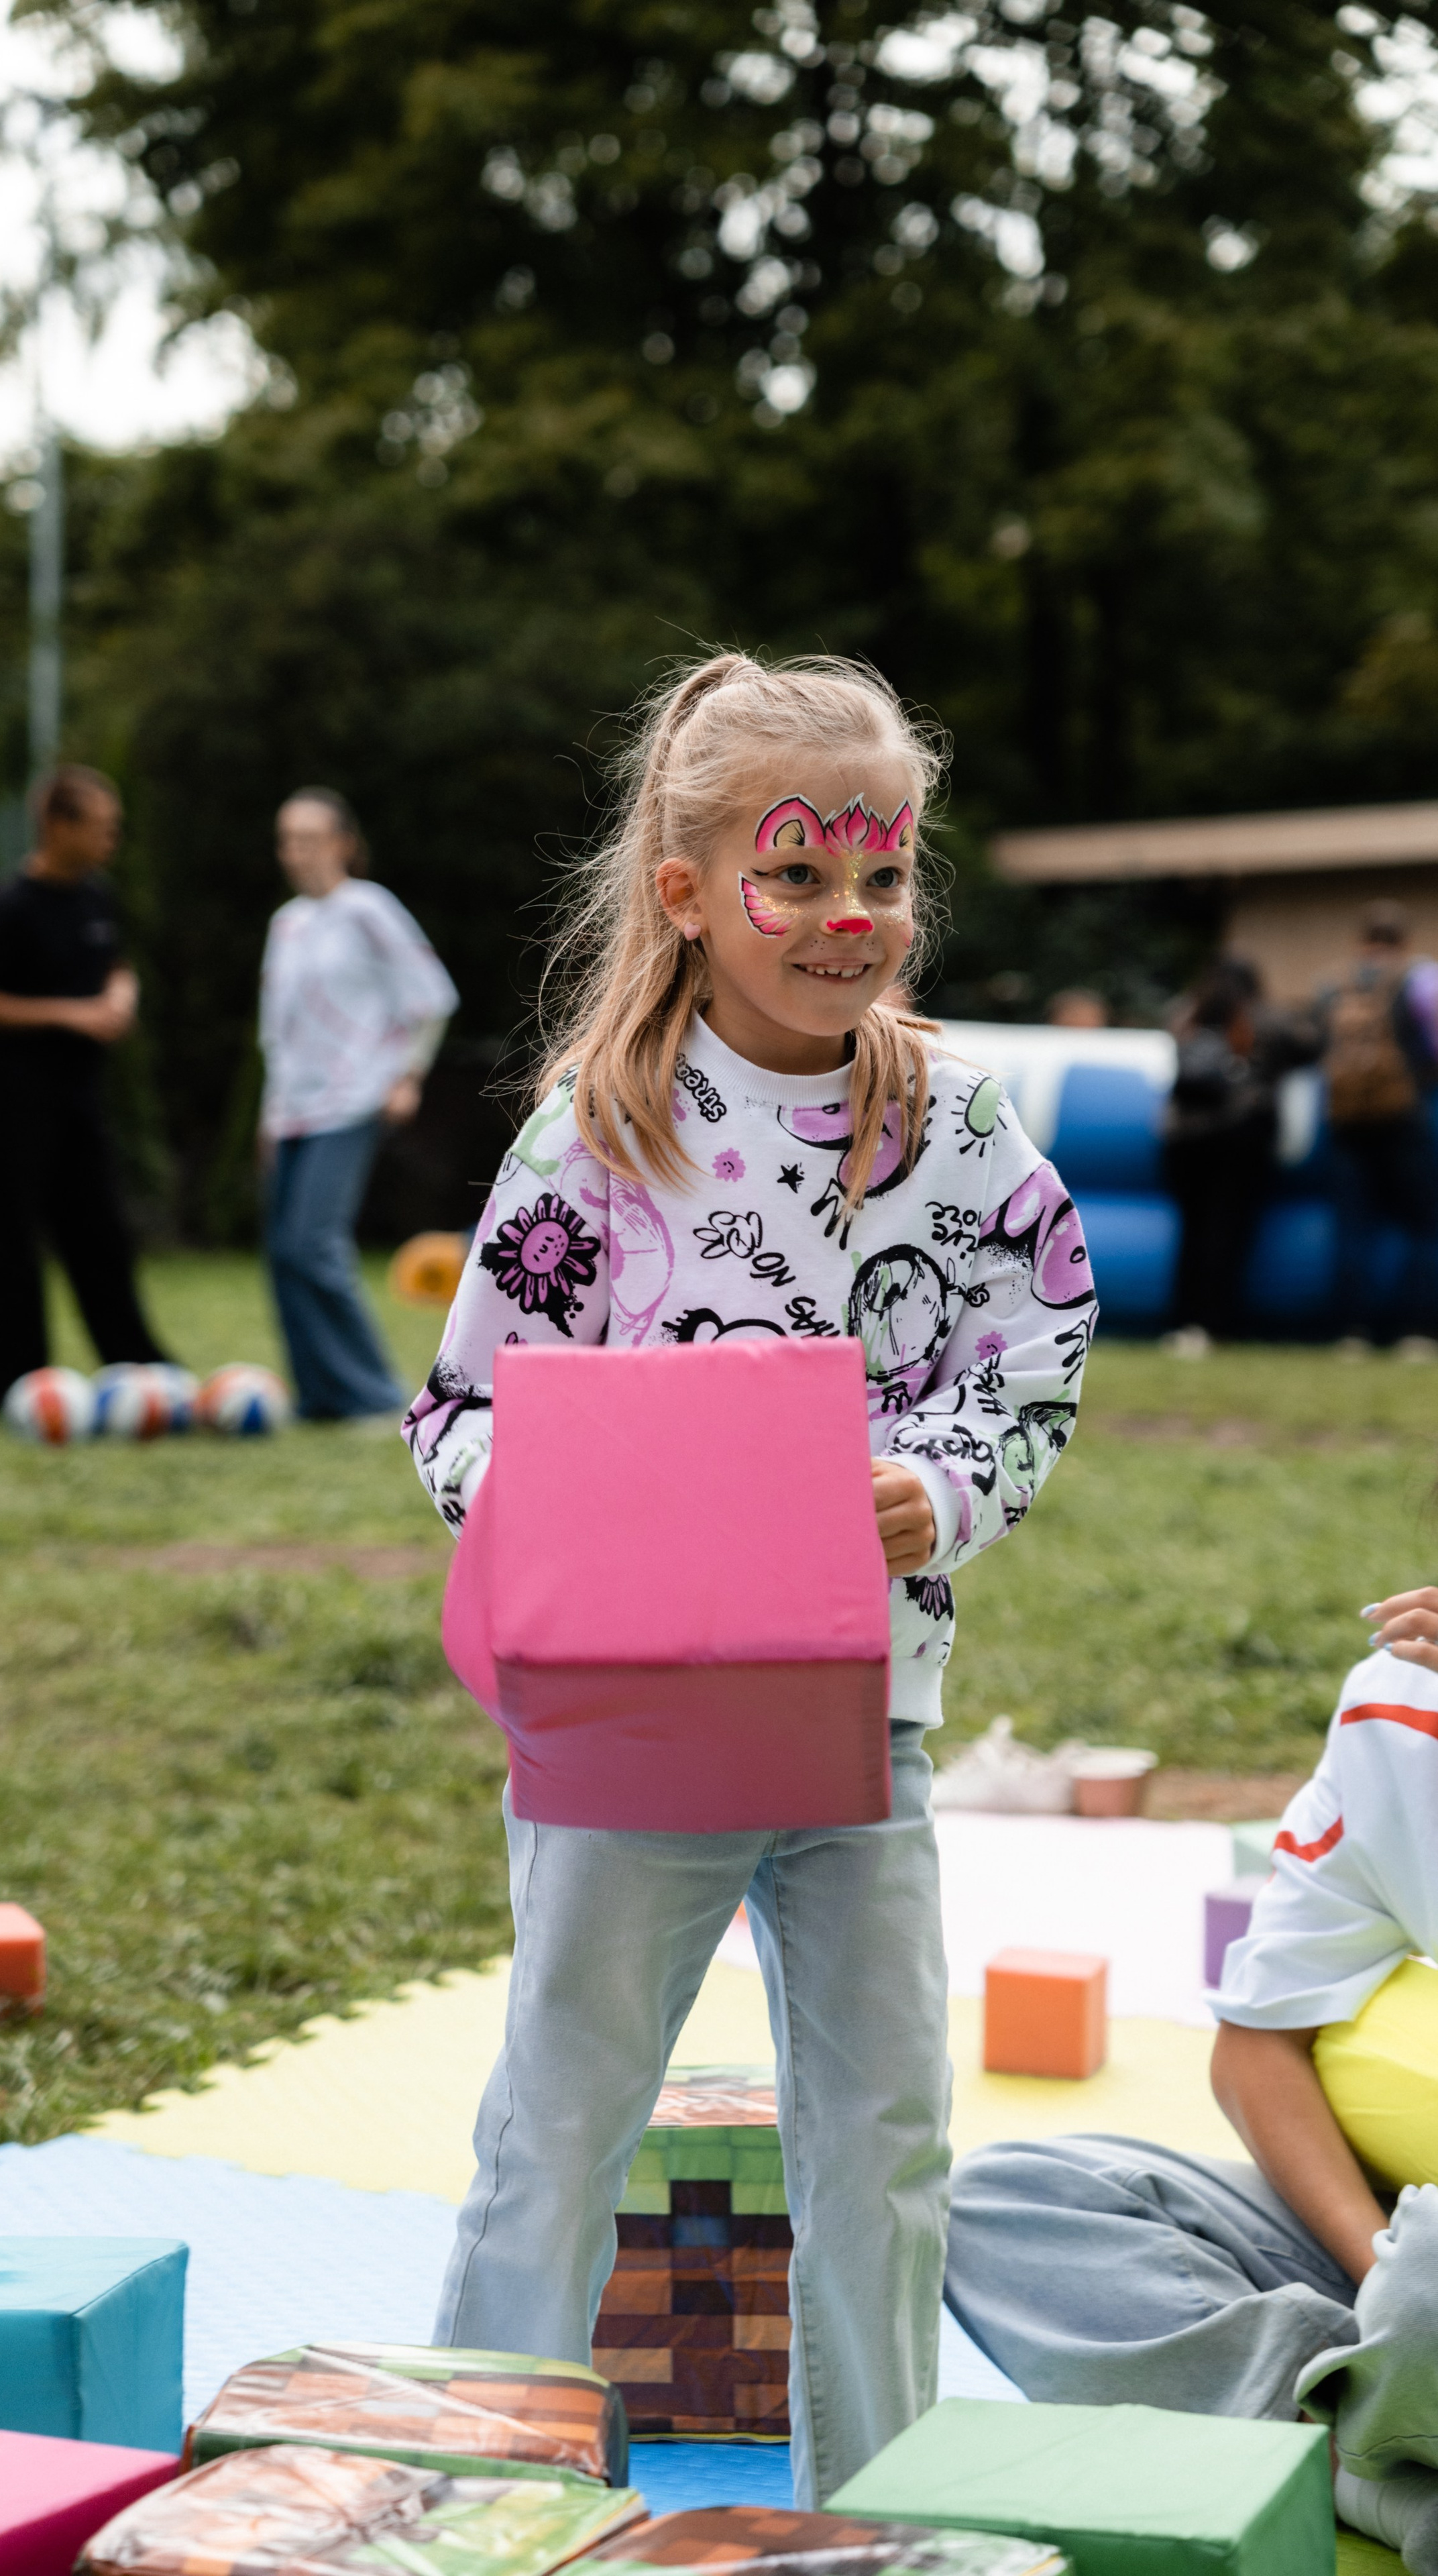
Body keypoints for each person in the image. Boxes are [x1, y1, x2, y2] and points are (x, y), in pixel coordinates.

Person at [402, 652, 1098, 2505]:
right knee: (561, 2123)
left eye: (884, 875)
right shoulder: (596, 1135)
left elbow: (1039, 1352)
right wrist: (593, 1511)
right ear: (689, 891)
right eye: (798, 875)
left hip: (865, 1722)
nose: (848, 917)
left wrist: (934, 1496)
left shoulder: (958, 1125)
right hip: (629, 1734)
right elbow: (457, 1411)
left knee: (884, 2138)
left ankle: (878, 2510)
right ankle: (484, 2497)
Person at [943, 1582, 1438, 2568]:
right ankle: (1355, 2446)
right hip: (1405, 2247)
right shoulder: (1396, 1718)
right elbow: (1257, 2052)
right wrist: (1377, 2272)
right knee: (1011, 2202)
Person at [0, 764, 170, 1409]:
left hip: (80, 1096)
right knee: (11, 1239)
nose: (112, 841)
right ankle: (16, 1381)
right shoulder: (6, 906)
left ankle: (137, 1366)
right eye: (102, 828)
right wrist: (69, 1014)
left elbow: (116, 962)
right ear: (57, 825)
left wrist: (122, 992)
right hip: (13, 1096)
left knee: (101, 1232)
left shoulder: (97, 896)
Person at [258, 787, 458, 1421]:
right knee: (283, 1254)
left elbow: (432, 995)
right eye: (288, 840)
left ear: (344, 843)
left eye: (310, 838)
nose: (297, 852)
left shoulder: (369, 909)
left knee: (315, 1244)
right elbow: (276, 1029)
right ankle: (319, 1396)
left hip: (350, 1101)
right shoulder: (285, 924)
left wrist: (408, 1075)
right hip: (292, 1108)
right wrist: (269, 1112)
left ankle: (372, 1394)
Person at [1161, 955, 1307, 1352]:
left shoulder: (1185, 1015)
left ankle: (1183, 1321)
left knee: (1193, 1232)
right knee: (1228, 1232)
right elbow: (1308, 1047)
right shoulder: (1265, 1019)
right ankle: (1216, 1322)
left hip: (1184, 1142)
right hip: (1240, 1140)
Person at [1319, 901, 1438, 1352]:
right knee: (1425, 1225)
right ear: (1403, 942)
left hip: (1347, 1122)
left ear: (1361, 941)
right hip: (1403, 1118)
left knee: (1353, 1228)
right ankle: (1417, 1330)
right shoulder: (1420, 980)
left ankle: (1352, 1331)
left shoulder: (1336, 985)